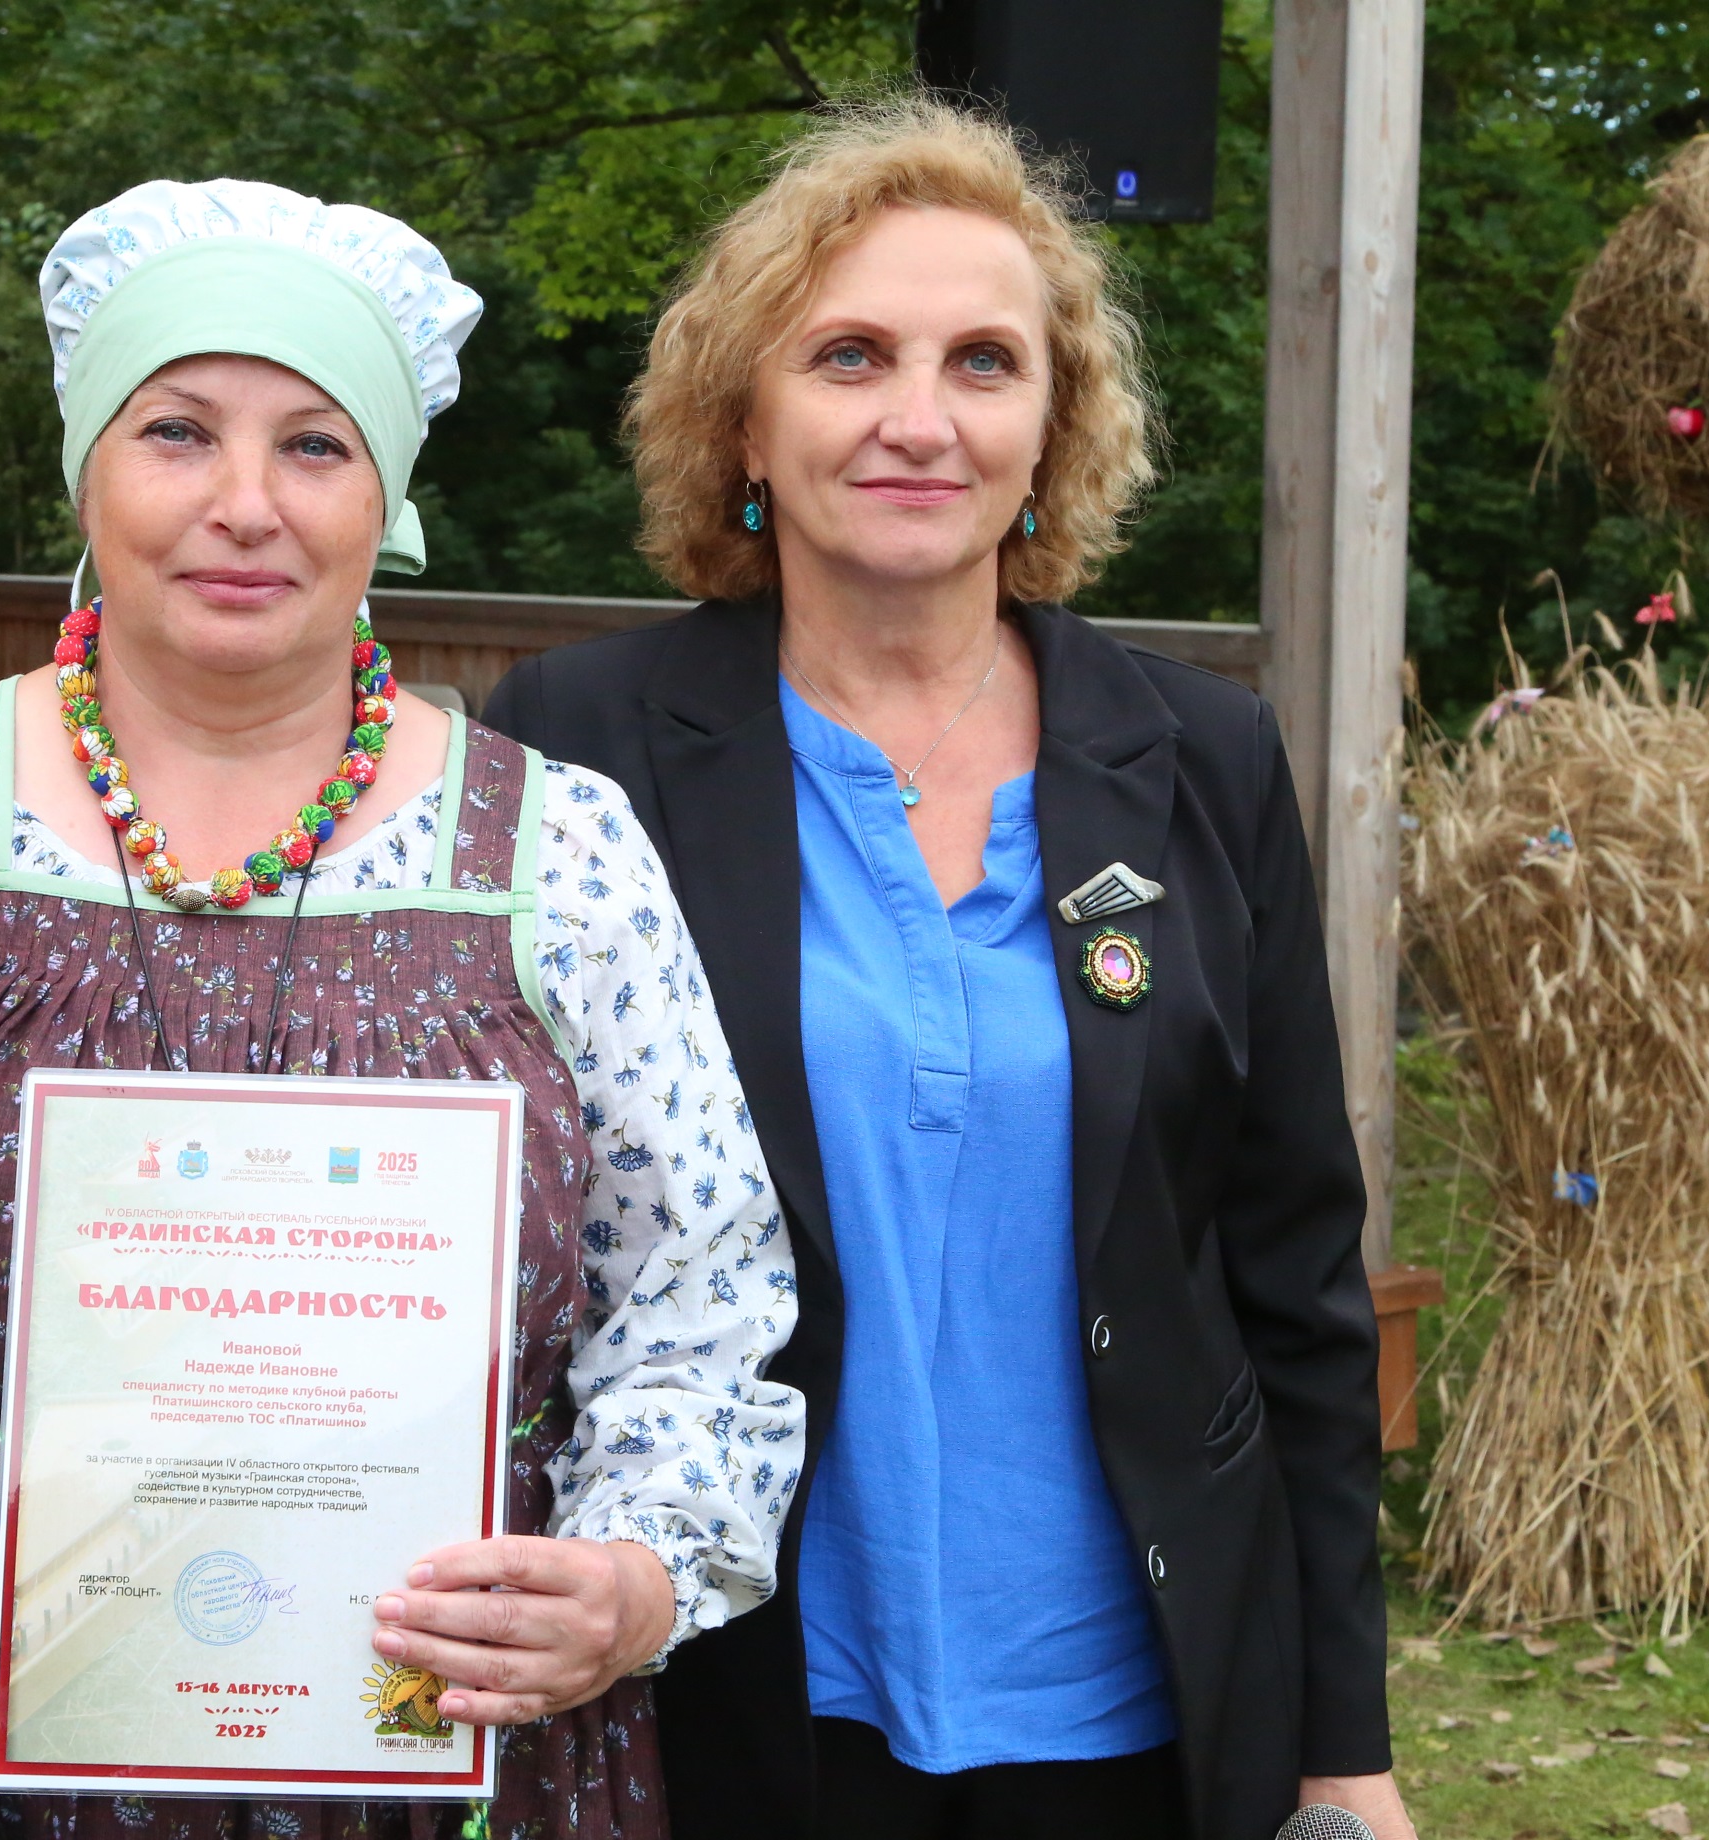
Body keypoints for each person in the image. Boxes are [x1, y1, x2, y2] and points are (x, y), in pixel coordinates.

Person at [0, 178, 801, 1838]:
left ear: (386, 494)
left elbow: (699, 1293)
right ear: (86, 467)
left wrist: (633, 1579)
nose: (245, 504)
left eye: (315, 444)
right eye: (176, 432)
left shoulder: (555, 850)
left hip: (447, 1742)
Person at [485, 95, 1409, 1840]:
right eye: (849, 356)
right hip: (734, 1686)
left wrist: (1341, 1748)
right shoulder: (581, 747)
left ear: (1053, 428)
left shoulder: (1202, 761)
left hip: (1136, 1704)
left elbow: (1297, 1283)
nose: (919, 418)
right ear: (743, 421)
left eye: (984, 363)